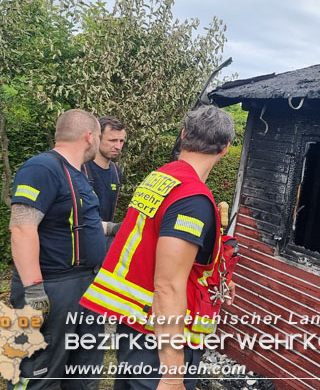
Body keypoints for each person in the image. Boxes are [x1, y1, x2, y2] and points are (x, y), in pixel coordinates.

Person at [80, 105, 237, 390]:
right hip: (159, 339)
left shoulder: (161, 177)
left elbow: (152, 243)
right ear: (225, 148)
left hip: (137, 324)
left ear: (183, 135)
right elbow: (168, 286)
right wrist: (173, 374)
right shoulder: (192, 199)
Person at [8, 109, 107, 390]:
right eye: (100, 136)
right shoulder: (41, 168)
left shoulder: (78, 174)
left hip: (85, 285)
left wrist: (115, 228)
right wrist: (34, 291)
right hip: (53, 287)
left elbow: (78, 222)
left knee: (83, 367)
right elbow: (22, 228)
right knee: (40, 370)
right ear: (90, 137)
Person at [84, 116, 126, 247]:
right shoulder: (81, 168)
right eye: (112, 140)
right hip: (81, 241)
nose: (118, 146)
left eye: (121, 141)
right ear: (97, 138)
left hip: (103, 242)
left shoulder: (116, 171)